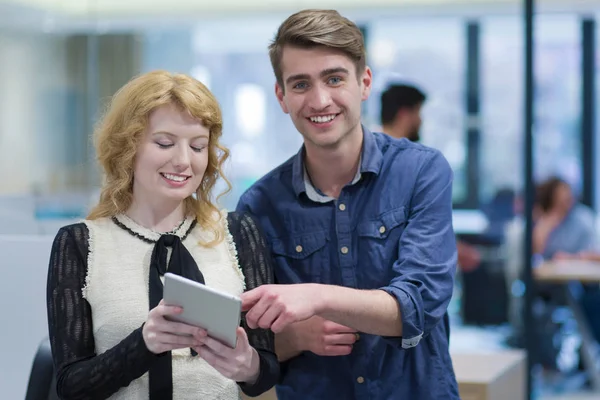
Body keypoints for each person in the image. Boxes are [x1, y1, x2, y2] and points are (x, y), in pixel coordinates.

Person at [236, 9, 459, 399]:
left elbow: (420, 305)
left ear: (364, 82)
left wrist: (317, 297)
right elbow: (253, 352)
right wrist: (296, 336)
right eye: (301, 84)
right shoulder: (259, 205)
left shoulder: (422, 172)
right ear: (282, 96)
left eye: (334, 78)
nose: (320, 100)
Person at [46, 70, 279, 399]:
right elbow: (71, 386)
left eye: (198, 146)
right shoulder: (80, 244)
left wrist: (248, 365)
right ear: (128, 146)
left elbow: (265, 371)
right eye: (165, 143)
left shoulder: (239, 232)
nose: (184, 161)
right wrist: (144, 344)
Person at [380, 83, 481, 272]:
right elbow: (415, 228)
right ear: (404, 114)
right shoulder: (406, 164)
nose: (420, 121)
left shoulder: (374, 157)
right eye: (418, 113)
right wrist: (456, 250)